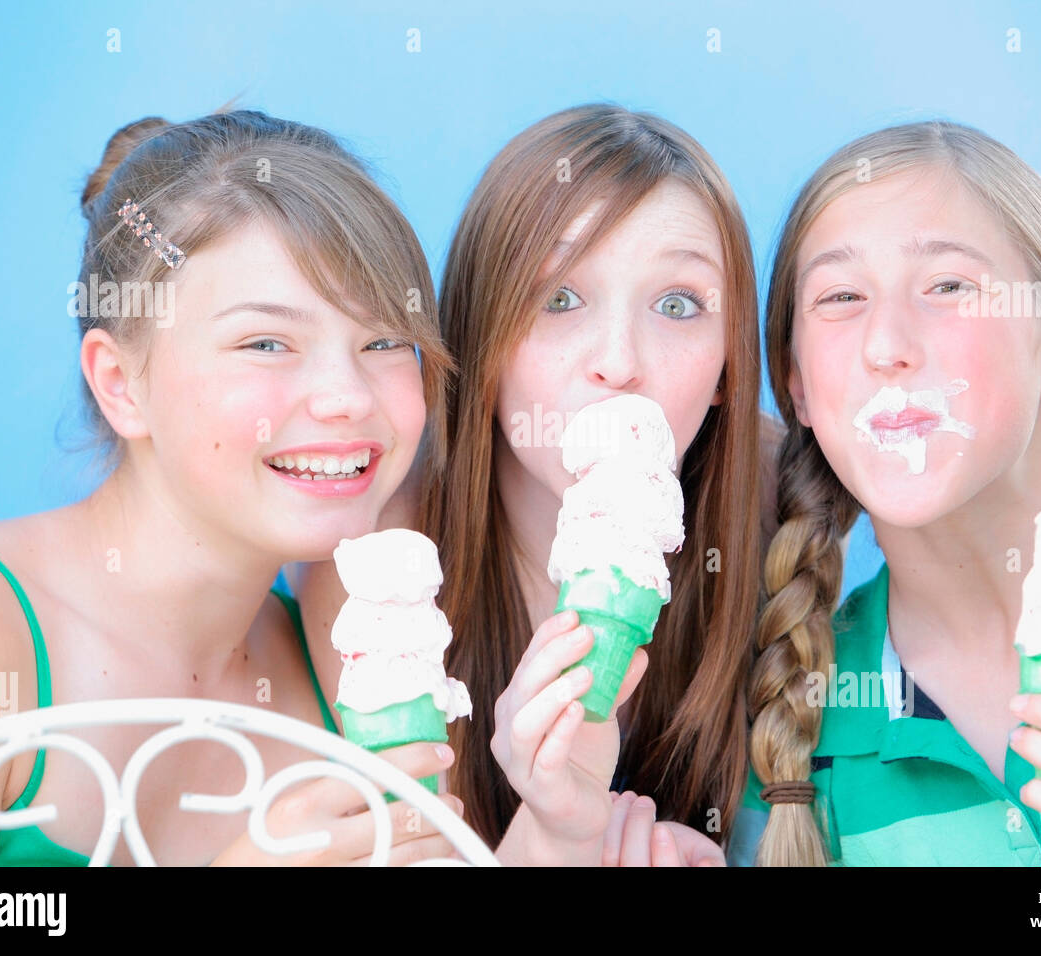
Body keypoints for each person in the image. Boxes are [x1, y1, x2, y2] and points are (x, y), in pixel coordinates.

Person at [0, 109, 462, 866]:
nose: (348, 396)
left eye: (382, 342)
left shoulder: (340, 671)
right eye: (266, 342)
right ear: (120, 384)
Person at [301, 103, 776, 865]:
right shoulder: (379, 564)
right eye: (559, 298)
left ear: (727, 368)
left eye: (678, 305)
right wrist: (557, 830)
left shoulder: (777, 508)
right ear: (481, 336)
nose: (619, 361)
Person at [733, 120, 1041, 866]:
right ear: (799, 388)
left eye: (948, 285)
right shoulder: (790, 731)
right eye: (841, 296)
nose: (885, 344)